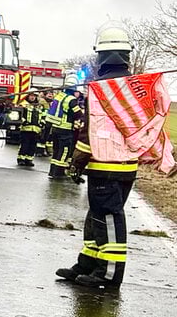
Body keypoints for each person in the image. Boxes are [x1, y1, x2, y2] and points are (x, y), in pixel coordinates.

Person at [57, 25, 136, 289]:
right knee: (98, 216)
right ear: (127, 54)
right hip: (125, 164)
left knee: (109, 218)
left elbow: (91, 130)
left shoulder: (102, 90)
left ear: (100, 56)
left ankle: (109, 273)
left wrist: (76, 162)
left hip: (106, 165)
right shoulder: (134, 88)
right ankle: (89, 263)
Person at [45, 77, 82, 180]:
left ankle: (52, 171)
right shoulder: (71, 100)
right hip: (65, 130)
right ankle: (59, 173)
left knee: (56, 151)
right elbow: (78, 113)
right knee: (64, 151)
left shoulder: (59, 96)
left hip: (55, 127)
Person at [16, 91, 44, 166]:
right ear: (28, 96)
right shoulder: (23, 104)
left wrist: (42, 123)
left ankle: (29, 159)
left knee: (33, 146)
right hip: (26, 129)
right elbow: (19, 115)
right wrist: (23, 122)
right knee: (25, 145)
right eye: (31, 96)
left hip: (36, 129)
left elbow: (43, 116)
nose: (32, 97)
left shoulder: (39, 106)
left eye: (34, 96)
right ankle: (21, 159)